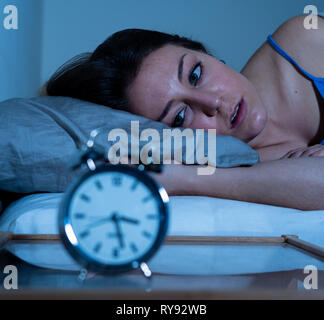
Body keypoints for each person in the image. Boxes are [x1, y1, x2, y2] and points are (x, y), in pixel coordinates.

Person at [46, 14, 324, 210]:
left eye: (196, 73)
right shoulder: (247, 166)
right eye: (180, 117)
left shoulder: (304, 43)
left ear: (206, 53)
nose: (211, 102)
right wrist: (183, 179)